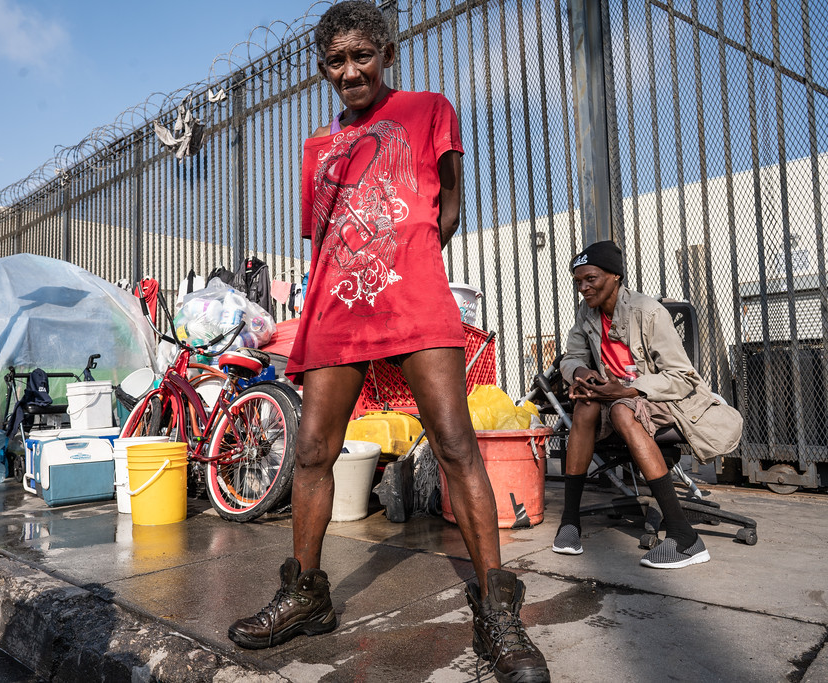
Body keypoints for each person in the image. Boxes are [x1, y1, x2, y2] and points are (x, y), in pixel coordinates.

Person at [227, 3, 550, 681]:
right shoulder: (317, 148)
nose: (351, 71)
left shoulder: (430, 109)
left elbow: (449, 203)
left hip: (413, 298)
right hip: (340, 308)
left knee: (457, 444)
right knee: (312, 451)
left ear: (386, 54)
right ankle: (307, 591)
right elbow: (325, 237)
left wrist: (408, 261)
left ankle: (496, 605)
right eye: (337, 61)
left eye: (362, 56)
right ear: (324, 70)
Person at [553, 240, 743, 569]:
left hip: (662, 399)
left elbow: (682, 377)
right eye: (578, 281)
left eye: (591, 279)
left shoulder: (649, 311)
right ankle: (570, 522)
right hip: (614, 397)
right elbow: (570, 359)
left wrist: (629, 390)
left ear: (614, 276)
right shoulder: (587, 314)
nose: (583, 288)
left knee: (621, 409)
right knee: (585, 406)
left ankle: (685, 538)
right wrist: (582, 374)